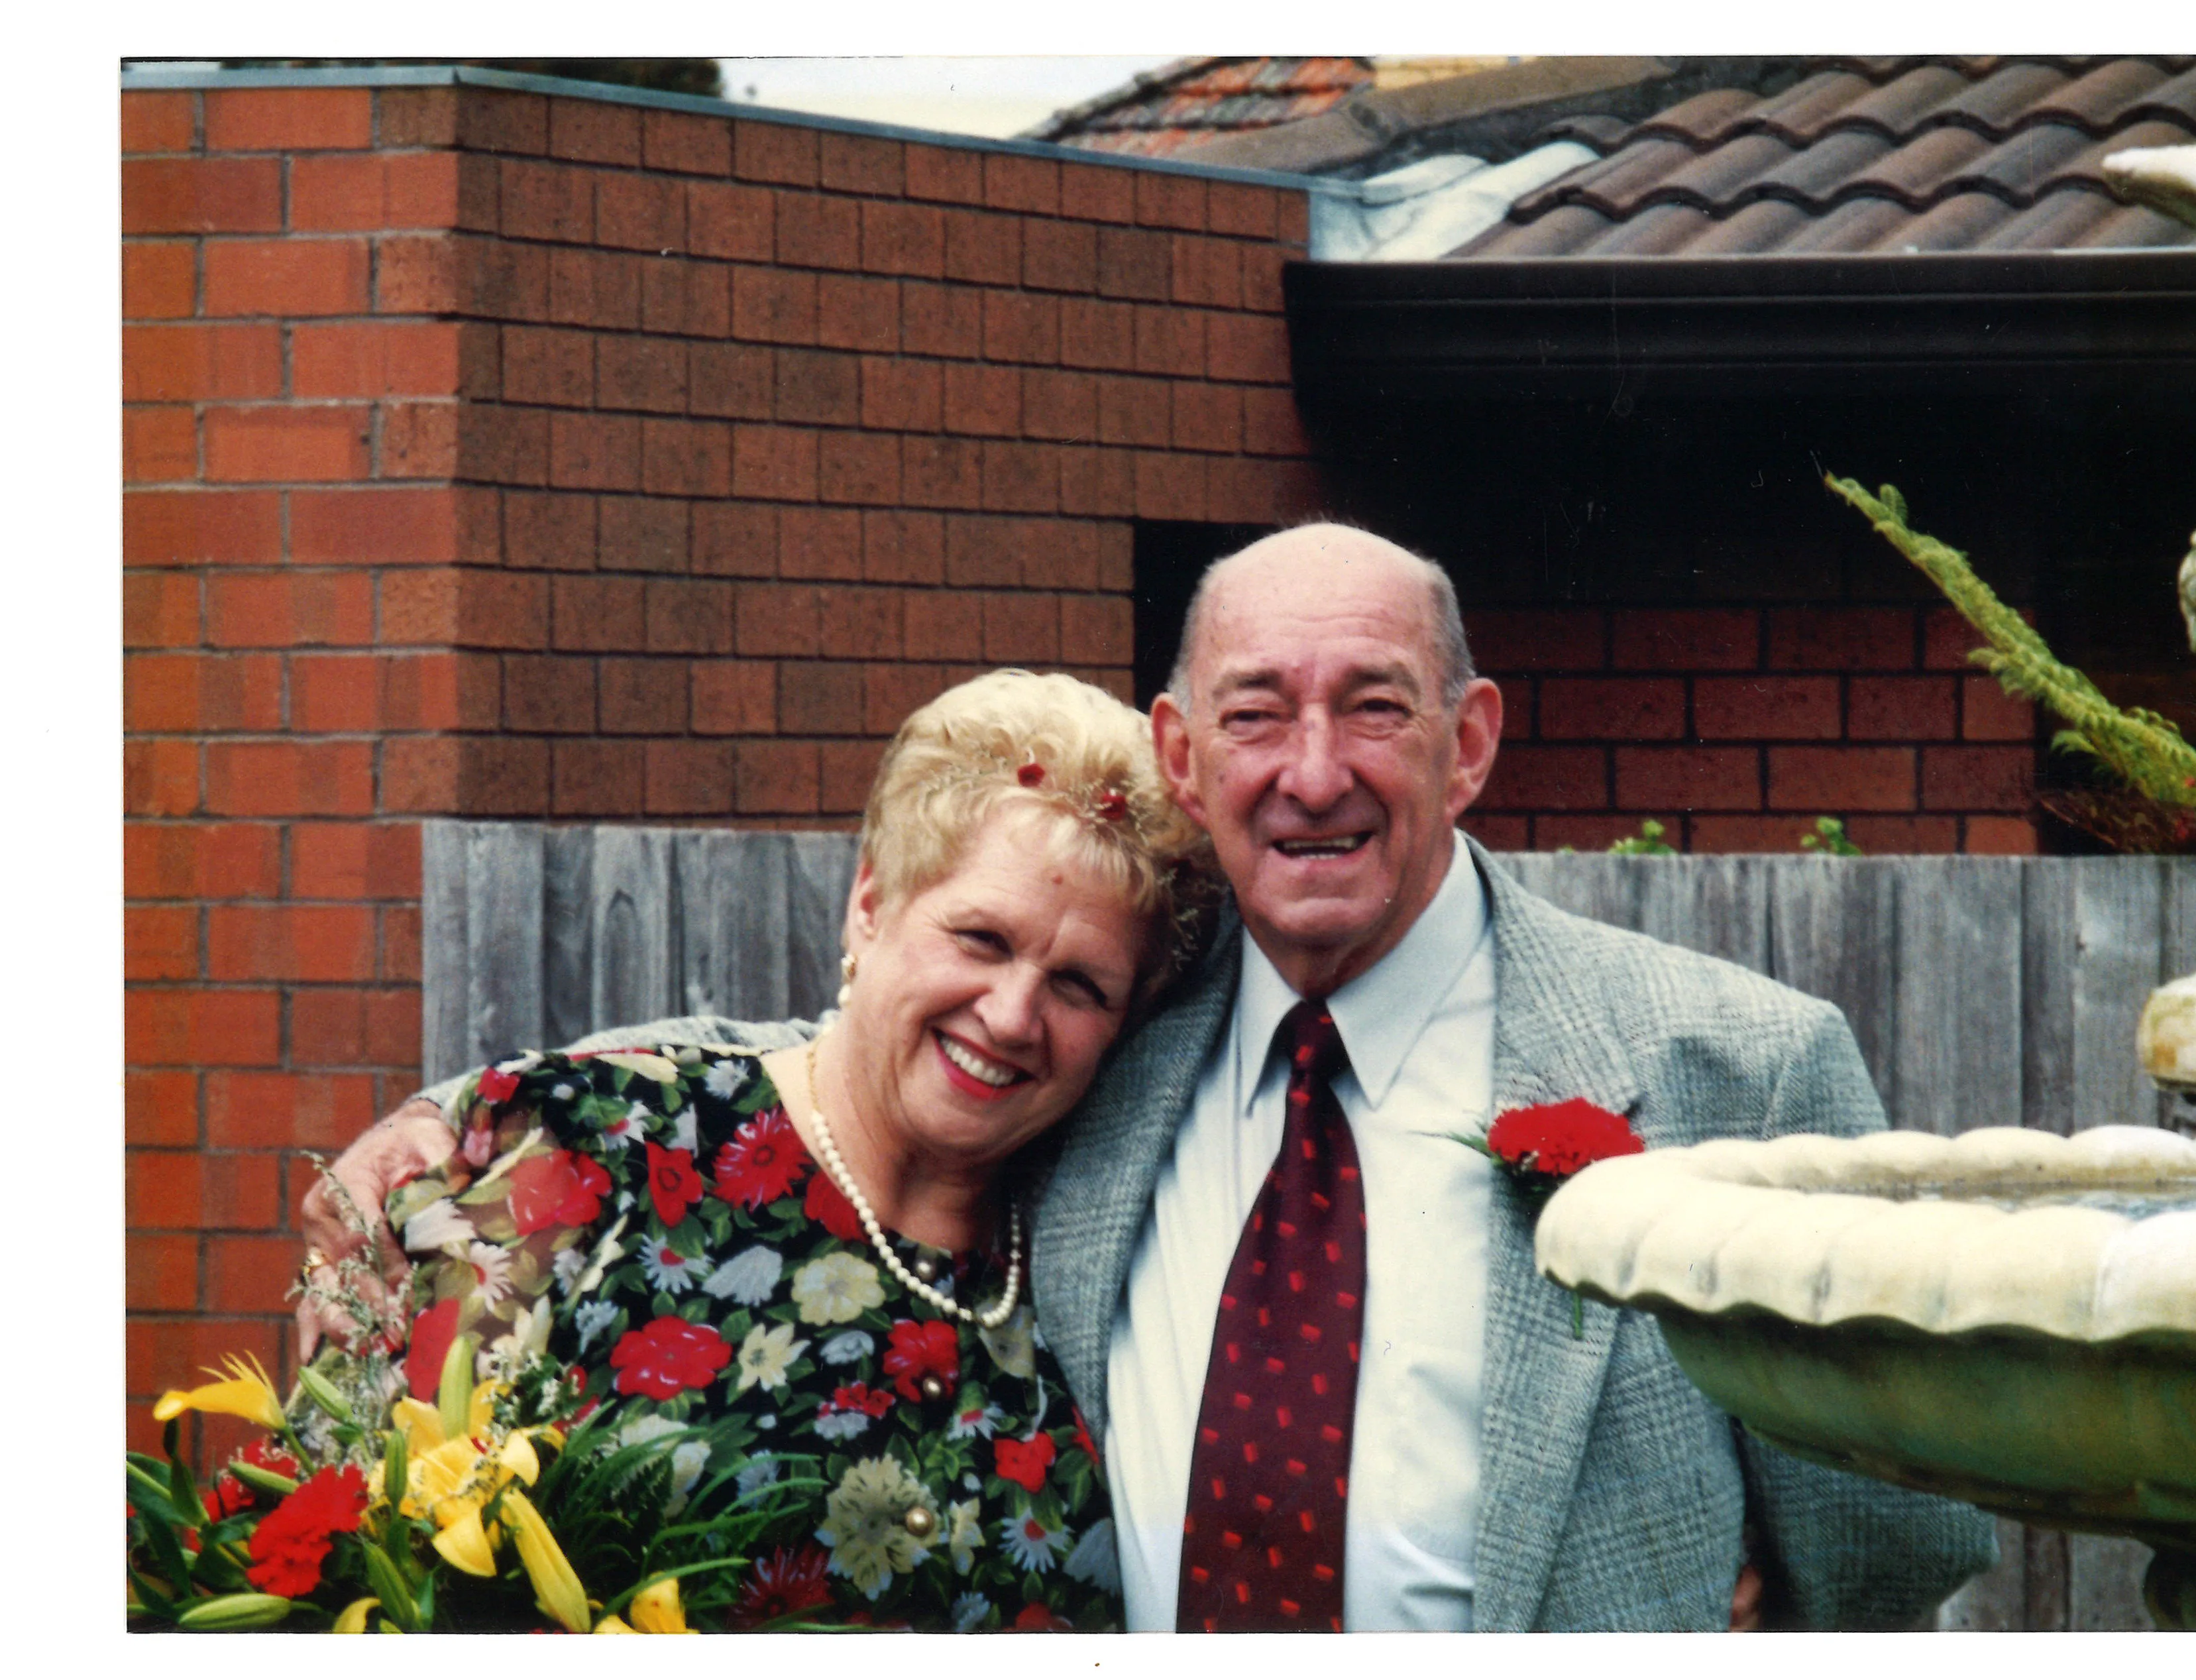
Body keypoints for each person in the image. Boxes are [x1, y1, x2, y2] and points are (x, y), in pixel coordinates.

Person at [310, 524, 1996, 1632]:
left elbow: (1897, 1552)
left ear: (1469, 742)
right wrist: (494, 1128)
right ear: (1184, 756)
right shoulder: (1118, 1063)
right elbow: (880, 1082)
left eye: (1375, 710)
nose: (1313, 772)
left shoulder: (1728, 1066)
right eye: (1257, 712)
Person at [307, 670, 1209, 1630]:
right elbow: (336, 1545)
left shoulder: (1109, 1247)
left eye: (1079, 986)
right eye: (982, 938)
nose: (1013, 1013)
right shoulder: (589, 1147)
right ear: (869, 903)